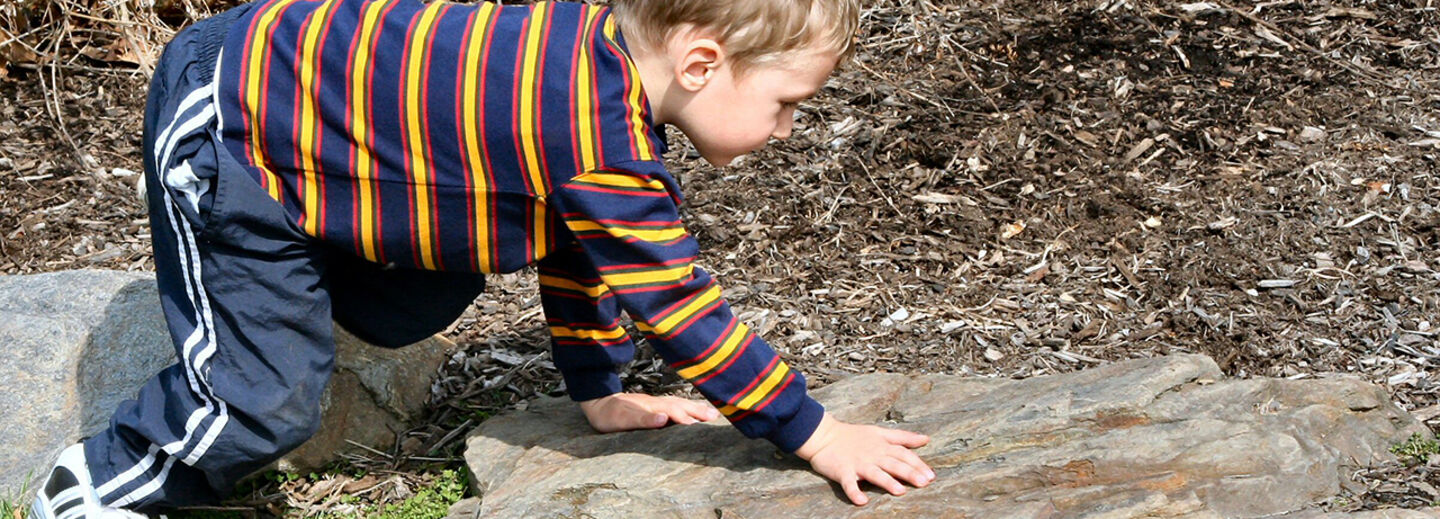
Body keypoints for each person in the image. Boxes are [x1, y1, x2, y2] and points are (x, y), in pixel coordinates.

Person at [30, 0, 935, 515]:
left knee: (413, 305)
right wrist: (811, 431)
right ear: (700, 62)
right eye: (786, 102)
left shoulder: (600, 89)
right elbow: (680, 307)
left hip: (317, 128)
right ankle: (86, 491)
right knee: (264, 400)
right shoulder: (587, 129)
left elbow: (581, 242)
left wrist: (600, 390)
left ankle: (287, 264)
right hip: (232, 116)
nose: (785, 128)